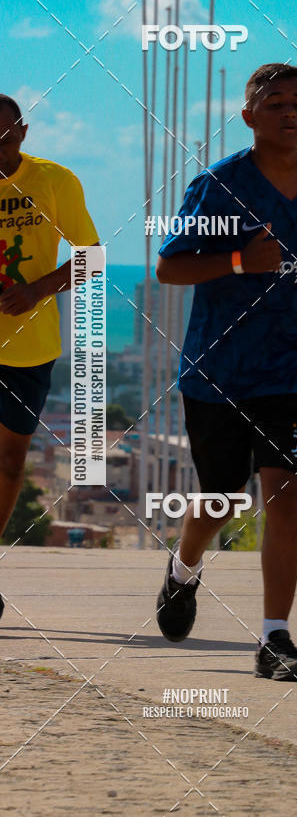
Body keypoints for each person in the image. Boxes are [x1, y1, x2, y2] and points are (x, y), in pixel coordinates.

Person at [155, 63, 297, 681]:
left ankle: (275, 640)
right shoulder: (219, 184)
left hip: (290, 369)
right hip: (218, 369)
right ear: (249, 116)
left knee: (285, 497)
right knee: (221, 498)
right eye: (275, 103)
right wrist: (239, 259)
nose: (289, 111)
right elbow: (170, 270)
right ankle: (184, 567)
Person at [0, 94, 100, 620]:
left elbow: (92, 256)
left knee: (11, 462)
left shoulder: (54, 181)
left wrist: (38, 289)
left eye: (5, 137)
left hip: (31, 347)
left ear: (23, 132)